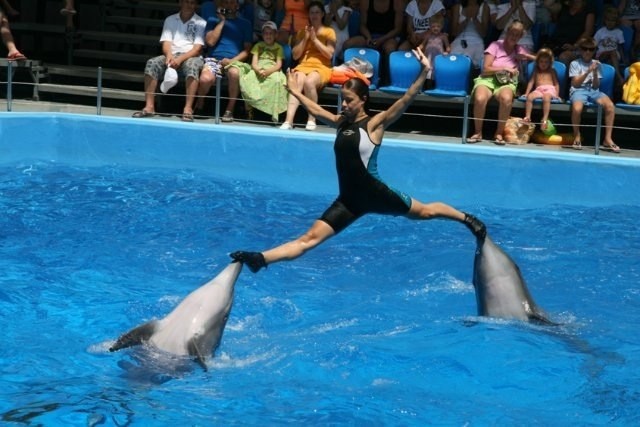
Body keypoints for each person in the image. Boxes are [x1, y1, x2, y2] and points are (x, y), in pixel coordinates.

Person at [229, 47, 488, 273]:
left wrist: (423, 72)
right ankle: (260, 259)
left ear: (363, 100)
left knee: (426, 212)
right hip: (349, 201)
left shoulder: (374, 124)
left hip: (377, 194)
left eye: (349, 101)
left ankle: (467, 219)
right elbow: (318, 110)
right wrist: (296, 92)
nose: (343, 105)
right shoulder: (341, 123)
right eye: (342, 100)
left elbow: (406, 98)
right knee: (308, 239)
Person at [132, 0, 206, 122]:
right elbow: (166, 43)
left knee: (192, 66)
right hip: (172, 54)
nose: (189, 5)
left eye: (192, 3)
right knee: (152, 62)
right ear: (180, 3)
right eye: (186, 2)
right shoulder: (170, 20)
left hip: (191, 56)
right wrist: (169, 56)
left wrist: (180, 59)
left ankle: (188, 109)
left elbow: (197, 49)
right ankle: (149, 106)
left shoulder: (201, 22)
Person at [468, 20, 535, 144]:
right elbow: (486, 69)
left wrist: (527, 56)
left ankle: (499, 134)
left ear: (520, 37)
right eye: (512, 33)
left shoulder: (519, 49)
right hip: (488, 79)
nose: (513, 37)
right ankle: (477, 133)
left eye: (517, 35)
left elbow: (541, 58)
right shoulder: (495, 45)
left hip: (506, 82)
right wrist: (504, 68)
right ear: (507, 32)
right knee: (480, 98)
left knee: (506, 98)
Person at [279, 1, 336, 131]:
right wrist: (306, 38)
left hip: (322, 67)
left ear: (322, 14)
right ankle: (288, 121)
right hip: (303, 65)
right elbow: (295, 56)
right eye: (311, 12)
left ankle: (311, 119)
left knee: (309, 82)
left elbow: (329, 55)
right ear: (308, 15)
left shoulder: (329, 31)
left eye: (317, 12)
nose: (314, 15)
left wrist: (315, 40)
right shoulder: (302, 31)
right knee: (296, 81)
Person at [195, 0, 253, 122]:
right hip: (214, 59)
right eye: (225, 3)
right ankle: (200, 102)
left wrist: (232, 61)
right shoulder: (212, 21)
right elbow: (210, 42)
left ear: (237, 6)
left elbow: (247, 50)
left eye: (231, 3)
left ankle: (229, 109)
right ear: (221, 6)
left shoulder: (245, 24)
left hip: (234, 61)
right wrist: (222, 22)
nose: (228, 5)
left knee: (234, 73)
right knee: (206, 79)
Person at [568, 37, 620, 152]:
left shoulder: (598, 64)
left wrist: (595, 73)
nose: (587, 52)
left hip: (593, 91)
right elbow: (575, 84)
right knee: (577, 108)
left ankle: (607, 139)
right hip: (578, 90)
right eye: (585, 49)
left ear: (594, 51)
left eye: (591, 49)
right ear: (580, 50)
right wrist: (587, 72)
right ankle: (577, 136)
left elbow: (596, 86)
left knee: (610, 106)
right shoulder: (574, 63)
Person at [229, 21, 288, 121]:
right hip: (258, 69)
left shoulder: (279, 48)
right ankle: (249, 109)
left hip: (272, 70)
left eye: (271, 33)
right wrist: (258, 70)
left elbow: (278, 65)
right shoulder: (258, 46)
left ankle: (273, 111)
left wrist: (268, 72)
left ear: (275, 35)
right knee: (248, 80)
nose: (268, 36)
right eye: (266, 33)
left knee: (277, 81)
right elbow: (254, 62)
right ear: (262, 35)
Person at [545, 0, 595, 66]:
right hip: (556, 44)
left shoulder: (589, 9)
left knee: (564, 57)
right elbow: (547, 4)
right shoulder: (564, 7)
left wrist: (574, 46)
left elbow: (588, 32)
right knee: (541, 55)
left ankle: (562, 76)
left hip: (576, 47)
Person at [522, 47, 560, 130]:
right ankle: (528, 116)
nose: (543, 64)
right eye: (541, 61)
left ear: (550, 62)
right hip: (539, 89)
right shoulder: (536, 71)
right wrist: (527, 93)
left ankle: (545, 119)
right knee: (530, 97)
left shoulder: (552, 71)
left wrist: (557, 95)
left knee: (546, 97)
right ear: (537, 62)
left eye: (546, 62)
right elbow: (531, 82)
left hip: (550, 90)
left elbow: (556, 84)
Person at [449, 0, 491, 68]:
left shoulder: (484, 6)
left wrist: (474, 19)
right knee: (454, 63)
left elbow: (484, 33)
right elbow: (454, 32)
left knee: (474, 66)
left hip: (477, 41)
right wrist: (467, 19)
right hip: (459, 40)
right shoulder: (458, 6)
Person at [594, 7, 625, 86]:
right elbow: (594, 45)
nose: (610, 23)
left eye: (613, 21)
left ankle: (610, 85)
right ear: (605, 20)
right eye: (608, 20)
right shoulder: (601, 31)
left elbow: (621, 47)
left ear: (616, 22)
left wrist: (624, 59)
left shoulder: (618, 32)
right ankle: (619, 78)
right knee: (611, 53)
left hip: (614, 55)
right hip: (602, 54)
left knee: (612, 56)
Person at [419, 13, 450, 85]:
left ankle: (435, 86)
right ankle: (426, 86)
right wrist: (419, 49)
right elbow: (422, 45)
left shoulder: (443, 36)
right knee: (427, 72)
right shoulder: (428, 35)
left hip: (438, 57)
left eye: (438, 26)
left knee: (436, 72)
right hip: (428, 57)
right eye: (433, 26)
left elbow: (448, 47)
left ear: (442, 27)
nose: (435, 28)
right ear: (430, 27)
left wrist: (447, 52)